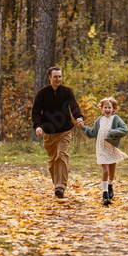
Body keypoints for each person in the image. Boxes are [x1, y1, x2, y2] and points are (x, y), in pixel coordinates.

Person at [32, 66, 84, 199]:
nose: (58, 79)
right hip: (49, 133)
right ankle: (57, 184)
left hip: (65, 131)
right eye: (55, 77)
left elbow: (73, 105)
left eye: (60, 76)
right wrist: (37, 126)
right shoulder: (42, 93)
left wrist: (78, 117)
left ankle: (60, 186)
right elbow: (36, 111)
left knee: (61, 155)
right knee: (53, 161)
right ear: (49, 77)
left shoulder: (66, 92)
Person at [81, 97, 128, 205]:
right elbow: (93, 133)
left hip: (111, 148)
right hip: (101, 148)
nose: (107, 110)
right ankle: (105, 195)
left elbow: (125, 130)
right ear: (102, 109)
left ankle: (110, 185)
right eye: (105, 108)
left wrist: (113, 132)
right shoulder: (99, 120)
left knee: (111, 174)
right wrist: (83, 127)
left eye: (109, 108)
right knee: (105, 171)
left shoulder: (115, 119)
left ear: (113, 109)